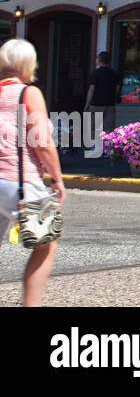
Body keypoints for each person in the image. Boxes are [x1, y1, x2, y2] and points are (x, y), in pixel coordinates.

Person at [1, 38, 65, 306]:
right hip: (22, 180)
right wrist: (58, 178)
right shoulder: (29, 94)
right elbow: (41, 141)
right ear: (29, 64)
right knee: (45, 242)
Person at [84, 51, 121, 133]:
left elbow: (91, 89)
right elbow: (117, 89)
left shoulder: (95, 73)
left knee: (94, 128)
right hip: (110, 104)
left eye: (97, 58)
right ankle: (107, 145)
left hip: (96, 104)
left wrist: (87, 104)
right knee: (109, 129)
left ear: (99, 60)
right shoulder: (114, 73)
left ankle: (95, 145)